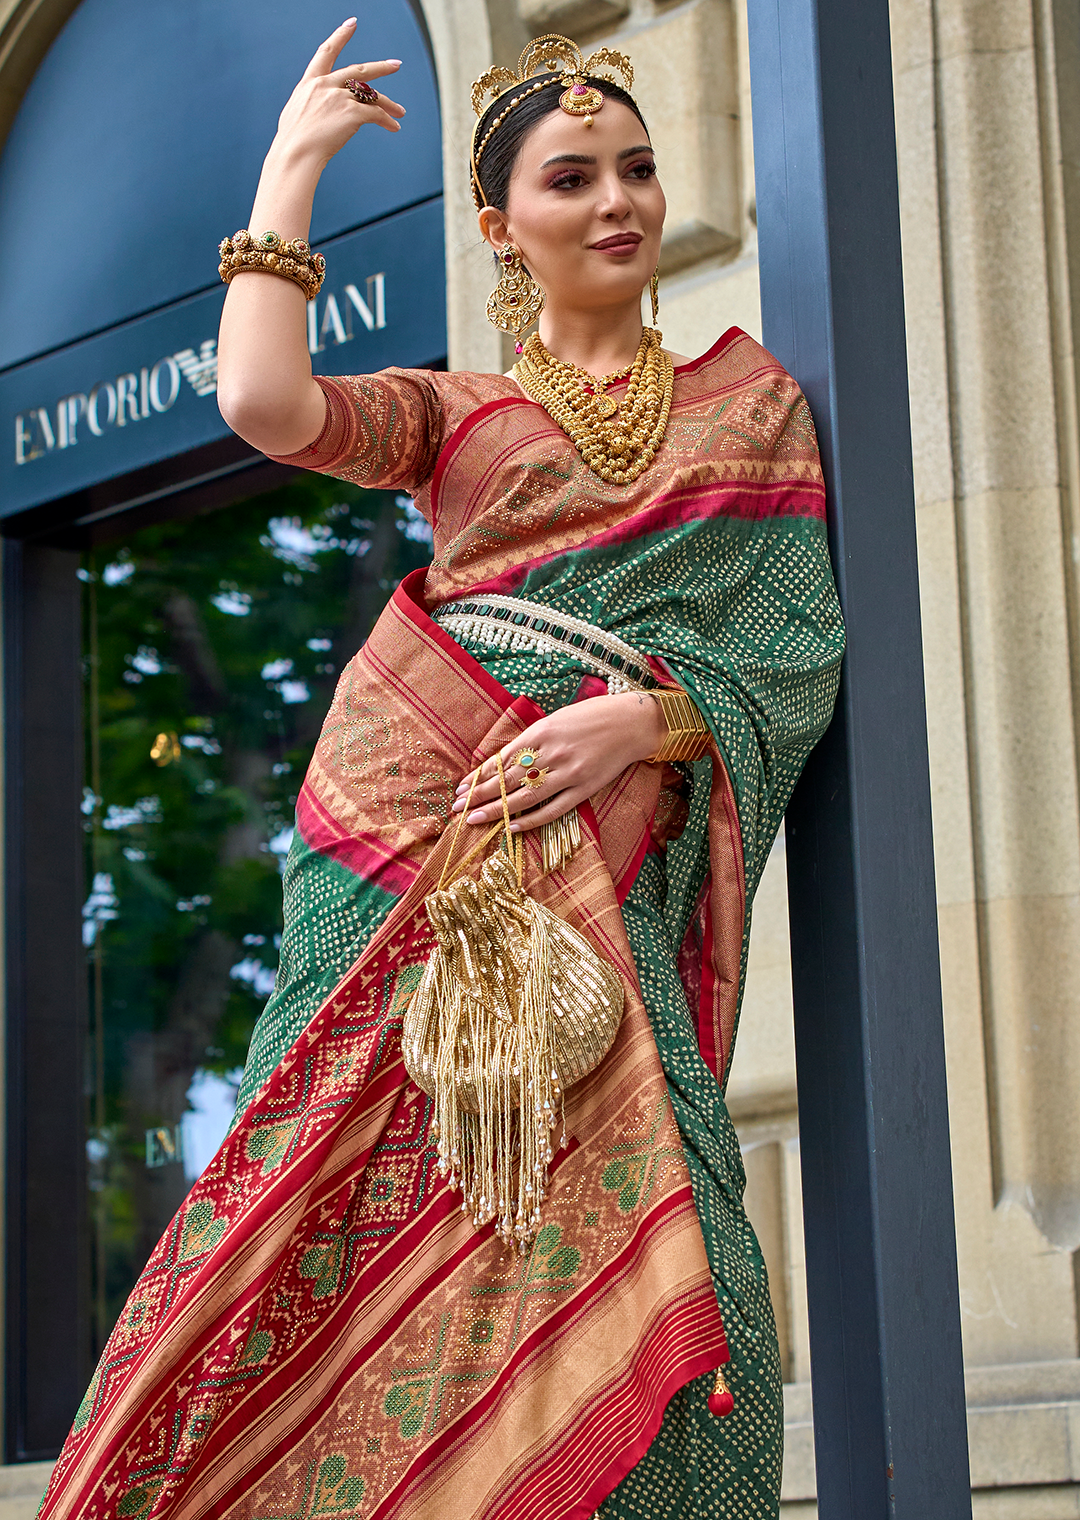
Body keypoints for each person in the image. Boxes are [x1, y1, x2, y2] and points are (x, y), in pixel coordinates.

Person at [38, 21, 844, 1520]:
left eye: (640, 170)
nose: (620, 201)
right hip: (419, 830)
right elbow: (267, 409)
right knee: (317, 1206)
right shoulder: (456, 413)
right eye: (572, 178)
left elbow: (797, 651)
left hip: (605, 862)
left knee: (698, 1266)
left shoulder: (754, 407)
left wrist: (645, 720)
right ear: (499, 228)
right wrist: (293, 171)